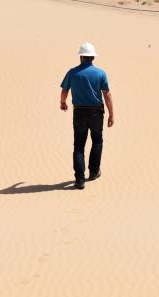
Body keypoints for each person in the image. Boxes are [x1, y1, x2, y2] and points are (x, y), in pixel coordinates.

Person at [60, 42, 114, 190]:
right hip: (96, 112)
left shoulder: (72, 72)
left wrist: (62, 103)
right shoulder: (100, 73)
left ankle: (79, 180)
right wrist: (111, 114)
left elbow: (64, 91)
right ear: (92, 57)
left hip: (79, 112)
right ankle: (94, 171)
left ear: (82, 57)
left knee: (79, 145)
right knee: (97, 141)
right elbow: (107, 95)